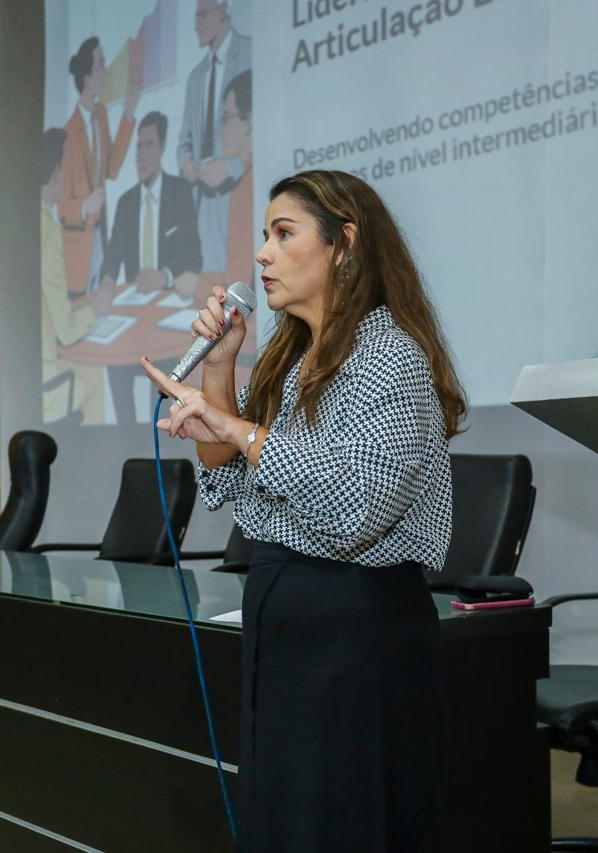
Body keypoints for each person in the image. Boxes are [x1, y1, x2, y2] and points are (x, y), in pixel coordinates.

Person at [141, 170, 468, 851]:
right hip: (286, 609)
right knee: (287, 817)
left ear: (343, 243)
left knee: (345, 819)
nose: (262, 253)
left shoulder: (389, 356)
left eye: (283, 234)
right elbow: (226, 474)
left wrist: (241, 431)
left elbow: (358, 507)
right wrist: (221, 367)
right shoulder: (292, 359)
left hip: (357, 625)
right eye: (265, 235)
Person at [60, 36, 142, 295]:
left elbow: (112, 169)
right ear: (86, 77)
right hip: (78, 246)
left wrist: (129, 112)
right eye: (101, 65)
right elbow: (62, 207)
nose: (106, 71)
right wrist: (85, 206)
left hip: (100, 237)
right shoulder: (68, 133)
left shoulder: (101, 115)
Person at [41, 128, 112, 424]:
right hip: (45, 385)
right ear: (56, 172)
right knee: (93, 376)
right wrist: (97, 310)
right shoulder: (48, 233)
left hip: (36, 369)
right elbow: (67, 330)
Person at [177, 0, 251, 272]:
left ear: (223, 10)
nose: (196, 25)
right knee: (216, 286)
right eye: (194, 18)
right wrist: (186, 163)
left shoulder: (251, 53)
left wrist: (231, 167)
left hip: (242, 191)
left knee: (246, 282)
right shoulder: (195, 78)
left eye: (202, 15)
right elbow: (184, 140)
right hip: (203, 202)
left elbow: (265, 128)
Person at [99, 110, 201, 292]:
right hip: (135, 300)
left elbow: (193, 255)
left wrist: (164, 276)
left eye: (149, 145)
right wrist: (107, 281)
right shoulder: (125, 203)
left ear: (162, 147)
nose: (142, 155)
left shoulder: (180, 192)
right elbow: (112, 256)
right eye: (139, 147)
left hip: (171, 296)